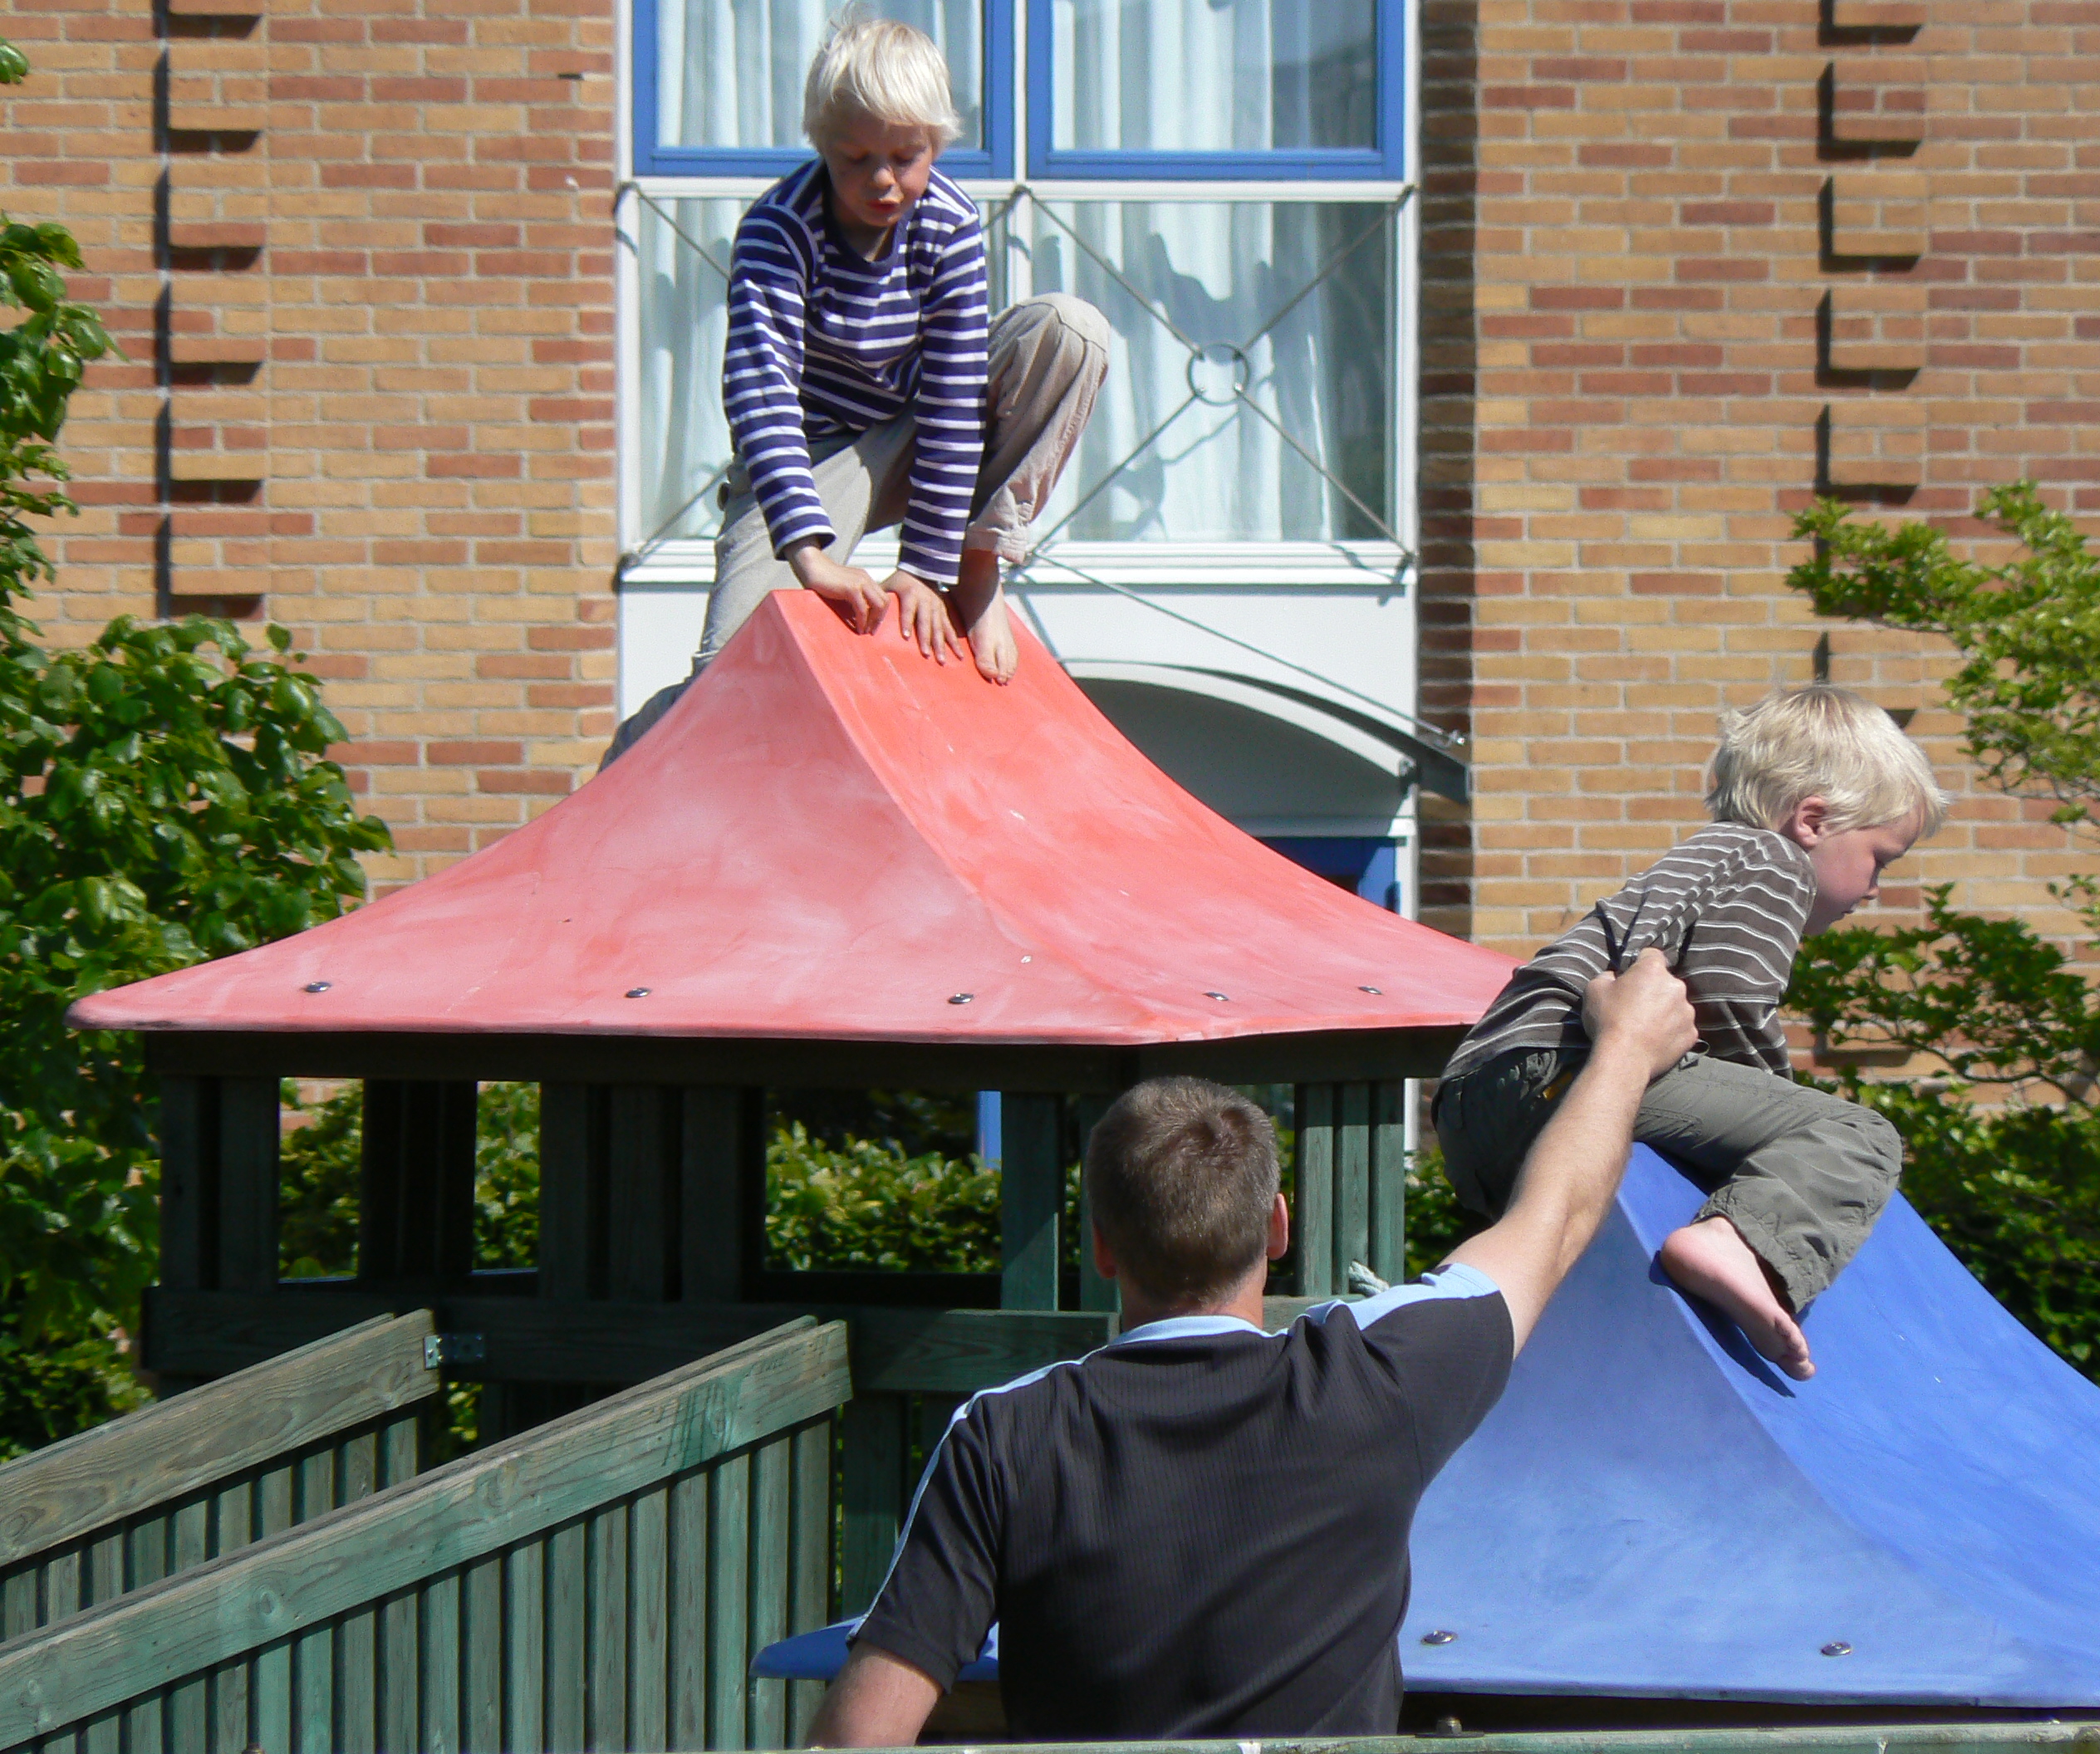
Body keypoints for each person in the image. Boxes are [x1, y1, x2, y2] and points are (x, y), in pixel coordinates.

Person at [807, 953, 1700, 1746]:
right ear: (1277, 1227)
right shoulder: (1375, 1381)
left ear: (1102, 1248)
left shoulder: (1003, 1435)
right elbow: (1553, 1218)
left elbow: (858, 1740)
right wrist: (1625, 1045)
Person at [606, 15, 1109, 760]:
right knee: (732, 675)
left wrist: (927, 566)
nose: (881, 180)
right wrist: (809, 555)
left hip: (915, 434)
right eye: (855, 159)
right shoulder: (780, 230)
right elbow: (762, 396)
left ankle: (980, 562)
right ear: (822, 146)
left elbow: (953, 394)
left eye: (905, 158)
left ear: (936, 145)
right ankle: (641, 743)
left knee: (1071, 331)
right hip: (812, 454)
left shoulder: (950, 223)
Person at [1434, 683, 1947, 1381]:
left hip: (1478, 1099)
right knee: (1856, 1135)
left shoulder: (1709, 859)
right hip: (1563, 1065)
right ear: (1812, 821)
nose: (1876, 888)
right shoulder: (1773, 864)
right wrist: (1778, 1112)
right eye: (1879, 859)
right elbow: (1732, 997)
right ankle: (1738, 1244)